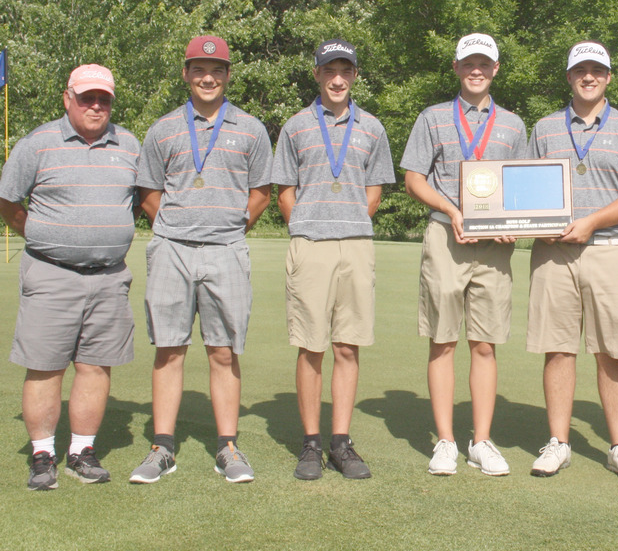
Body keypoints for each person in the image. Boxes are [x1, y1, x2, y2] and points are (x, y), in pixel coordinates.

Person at [130, 36, 273, 484]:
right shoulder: (163, 128)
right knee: (169, 349)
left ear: (228, 75)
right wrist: (177, 227)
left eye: (216, 69)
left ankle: (227, 447)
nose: (207, 77)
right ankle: (163, 447)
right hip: (171, 248)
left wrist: (227, 230)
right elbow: (149, 191)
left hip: (226, 251)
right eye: (198, 69)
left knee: (223, 351)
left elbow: (261, 193)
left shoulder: (251, 129)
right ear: (186, 73)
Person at [0, 64, 140, 490]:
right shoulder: (39, 142)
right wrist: (42, 234)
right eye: (87, 97)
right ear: (68, 98)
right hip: (51, 273)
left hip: (109, 277)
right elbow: (7, 200)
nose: (96, 105)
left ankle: (82, 451)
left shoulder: (130, 144)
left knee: (96, 366)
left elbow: (138, 202)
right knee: (44, 367)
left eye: (104, 98)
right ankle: (43, 455)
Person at [527, 41, 618, 481]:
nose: (588, 76)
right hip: (554, 255)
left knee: (612, 353)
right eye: (580, 70)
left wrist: (592, 222)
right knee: (558, 349)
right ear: (568, 77)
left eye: (596, 70)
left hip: (611, 251)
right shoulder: (544, 128)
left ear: (608, 77)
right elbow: (526, 189)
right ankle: (558, 443)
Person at [400, 33, 527, 476]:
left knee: (485, 343)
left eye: (484, 63)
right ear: (456, 68)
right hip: (445, 237)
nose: (476, 70)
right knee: (442, 340)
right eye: (468, 63)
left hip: (494, 249)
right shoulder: (433, 117)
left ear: (495, 69)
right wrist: (450, 209)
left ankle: (482, 441)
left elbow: (519, 187)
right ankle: (446, 442)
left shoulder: (513, 124)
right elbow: (414, 178)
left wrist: (514, 224)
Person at [273, 39, 395, 480]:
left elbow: (376, 186)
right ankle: (310, 444)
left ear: (355, 75)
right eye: (330, 70)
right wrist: (305, 223)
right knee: (312, 345)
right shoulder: (296, 125)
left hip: (356, 244)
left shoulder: (373, 127)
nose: (338, 79)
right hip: (310, 244)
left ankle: (341, 443)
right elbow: (284, 188)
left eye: (345, 70)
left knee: (348, 344)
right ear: (318, 74)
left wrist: (352, 220)